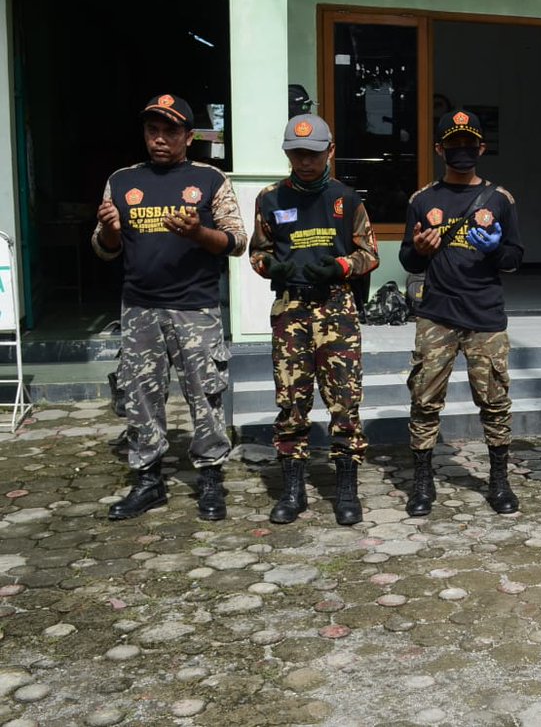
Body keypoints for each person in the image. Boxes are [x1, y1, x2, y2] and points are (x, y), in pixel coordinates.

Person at [92, 94, 247, 521]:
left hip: (195, 309)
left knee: (205, 394)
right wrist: (108, 230)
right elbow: (106, 250)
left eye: (170, 132)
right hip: (140, 307)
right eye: (152, 131)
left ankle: (211, 478)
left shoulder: (210, 179)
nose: (160, 139)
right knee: (140, 395)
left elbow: (237, 241)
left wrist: (200, 233)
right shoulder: (122, 181)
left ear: (188, 137)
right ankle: (148, 479)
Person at [249, 114, 379, 526]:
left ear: (330, 152)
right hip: (291, 310)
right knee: (291, 402)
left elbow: (370, 253)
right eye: (297, 154)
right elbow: (257, 251)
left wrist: (341, 266)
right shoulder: (270, 198)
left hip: (336, 309)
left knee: (344, 400)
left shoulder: (347, 199)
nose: (305, 162)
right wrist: (272, 267)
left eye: (313, 154)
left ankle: (346, 488)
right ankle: (292, 489)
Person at [400, 110, 524, 517]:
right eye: (453, 144)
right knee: (425, 398)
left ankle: (499, 481)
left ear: (481, 148)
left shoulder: (500, 200)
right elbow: (408, 260)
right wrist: (419, 248)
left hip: (485, 315)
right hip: (436, 314)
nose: (462, 151)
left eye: (469, 144)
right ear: (440, 149)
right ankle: (422, 482)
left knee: (494, 401)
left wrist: (495, 247)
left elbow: (514, 259)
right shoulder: (422, 200)